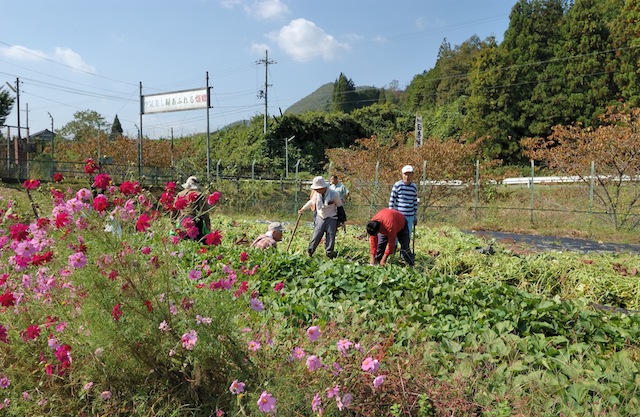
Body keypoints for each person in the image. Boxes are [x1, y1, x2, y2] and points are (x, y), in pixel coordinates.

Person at [298, 176, 346, 258]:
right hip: (320, 217)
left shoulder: (334, 194)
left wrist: (342, 221)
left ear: (323, 187)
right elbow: (312, 202)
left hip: (331, 217)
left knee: (330, 236)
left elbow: (340, 207)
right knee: (316, 235)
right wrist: (303, 209)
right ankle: (309, 252)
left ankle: (329, 254)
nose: (316, 190)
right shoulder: (317, 194)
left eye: (318, 189)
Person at [175, 176, 212, 241]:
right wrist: (208, 225)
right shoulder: (199, 194)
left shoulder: (180, 194)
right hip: (195, 221)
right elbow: (204, 212)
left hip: (182, 220)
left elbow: (175, 209)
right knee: (197, 241)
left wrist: (173, 222)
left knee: (183, 240)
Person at [388, 165, 418, 239]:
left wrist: (415, 216)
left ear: (412, 175)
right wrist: (390, 214)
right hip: (399, 215)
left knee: (407, 236)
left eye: (409, 174)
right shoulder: (398, 185)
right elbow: (392, 200)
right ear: (402, 174)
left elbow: (415, 202)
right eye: (405, 174)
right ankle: (394, 249)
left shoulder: (414, 187)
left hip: (410, 215)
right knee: (396, 235)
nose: (407, 176)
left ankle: (405, 250)